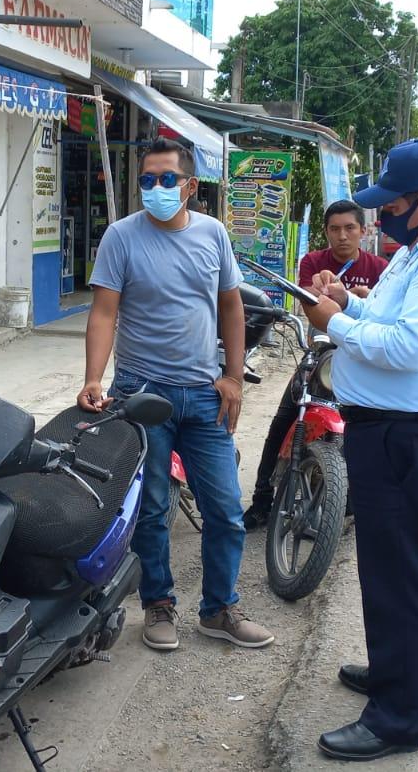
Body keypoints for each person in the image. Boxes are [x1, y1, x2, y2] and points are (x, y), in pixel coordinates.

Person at [297, 140, 418, 762]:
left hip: (410, 438)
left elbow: (409, 349)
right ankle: (391, 674)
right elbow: (388, 318)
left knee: (405, 579)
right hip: (387, 432)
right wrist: (348, 302)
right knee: (383, 570)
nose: (381, 217)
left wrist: (336, 323)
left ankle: (399, 720)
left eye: (392, 205)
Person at [78, 138, 274, 652]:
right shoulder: (121, 237)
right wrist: (94, 378)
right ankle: (158, 605)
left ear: (189, 185)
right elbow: (104, 313)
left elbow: (231, 307)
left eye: (167, 179)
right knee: (153, 509)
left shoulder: (213, 235)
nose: (156, 189)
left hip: (204, 395)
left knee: (226, 508)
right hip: (143, 395)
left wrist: (233, 376)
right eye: (147, 180)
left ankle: (219, 609)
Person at [243, 200, 387, 528]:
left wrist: (362, 298)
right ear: (326, 232)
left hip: (362, 358)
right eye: (334, 229)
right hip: (321, 354)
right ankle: (262, 499)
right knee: (284, 418)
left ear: (363, 231)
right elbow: (309, 305)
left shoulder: (380, 268)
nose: (342, 236)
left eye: (350, 228)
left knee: (367, 425)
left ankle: (350, 500)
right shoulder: (313, 262)